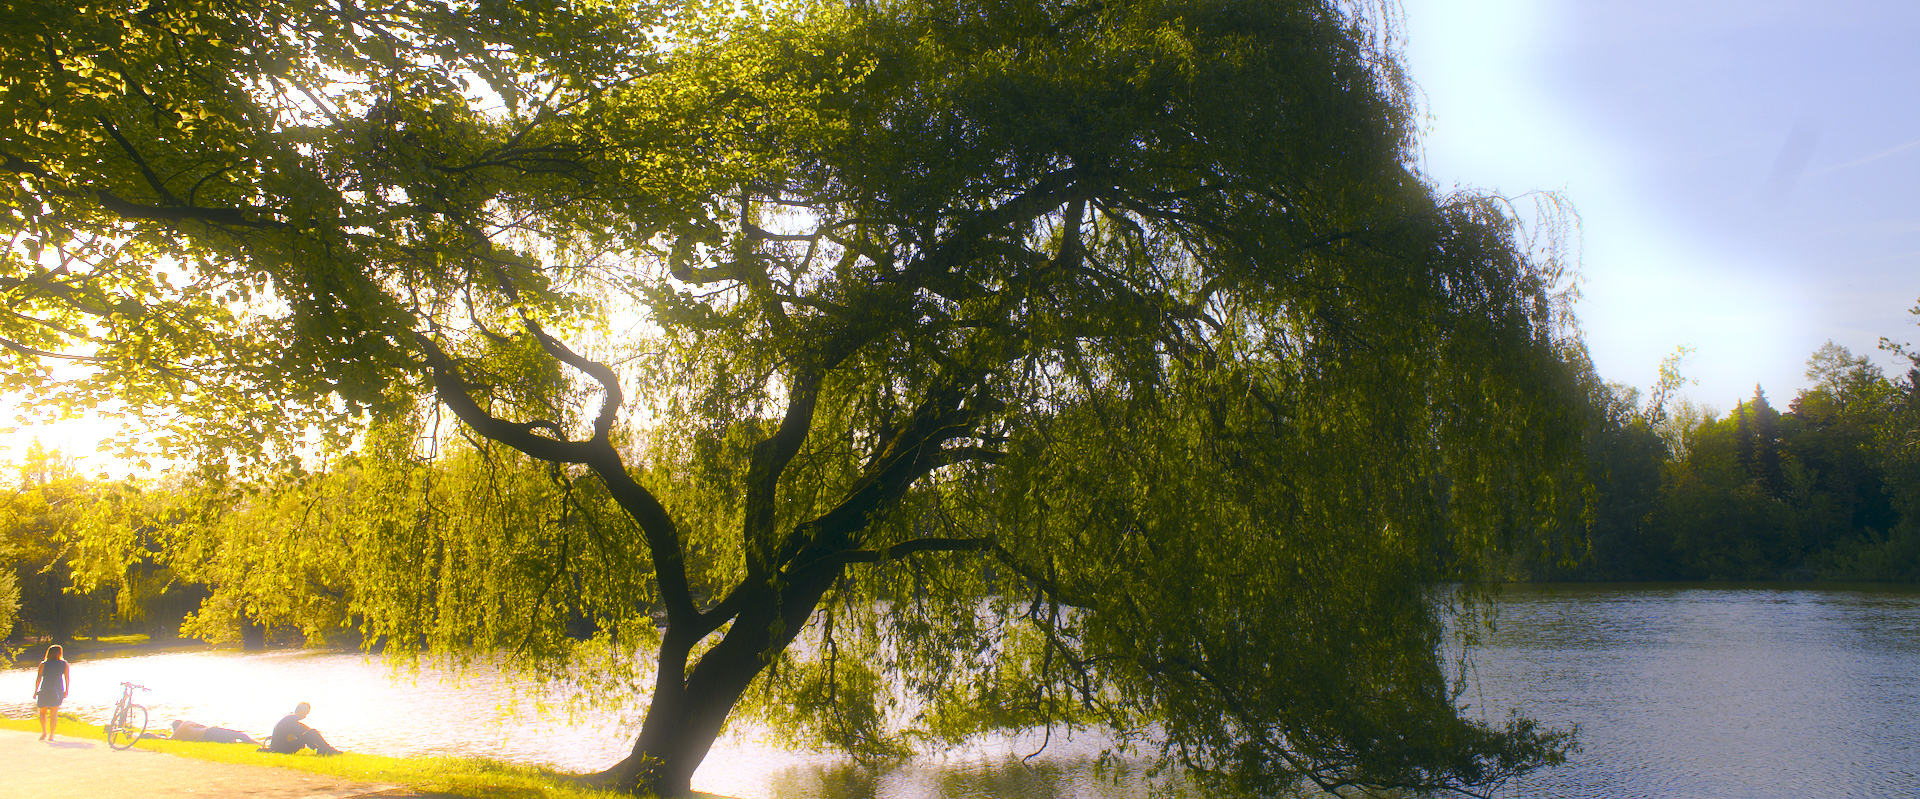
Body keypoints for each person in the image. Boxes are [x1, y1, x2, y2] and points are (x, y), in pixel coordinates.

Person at [265, 702, 341, 755]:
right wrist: (302, 741)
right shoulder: (293, 718)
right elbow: (289, 739)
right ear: (302, 711)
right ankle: (328, 750)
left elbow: (300, 729)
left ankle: (322, 749)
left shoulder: (289, 716)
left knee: (308, 731)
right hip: (282, 750)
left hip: (277, 748)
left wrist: (305, 737)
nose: (305, 716)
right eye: (305, 714)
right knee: (312, 733)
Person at [31, 644, 68, 742]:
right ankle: (51, 735)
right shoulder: (64, 664)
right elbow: (67, 678)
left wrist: (35, 691)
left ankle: (44, 732)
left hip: (45, 689)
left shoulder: (43, 664)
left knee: (42, 713)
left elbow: (38, 678)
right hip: (57, 689)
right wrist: (66, 690)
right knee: (53, 714)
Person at [169, 719, 259, 744]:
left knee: (231, 741)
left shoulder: (175, 737)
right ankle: (254, 743)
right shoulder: (185, 723)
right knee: (238, 734)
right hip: (209, 732)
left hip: (206, 739)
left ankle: (247, 743)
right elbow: (202, 726)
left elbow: (168, 740)